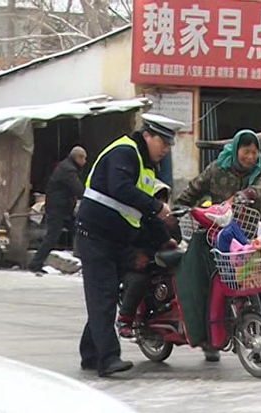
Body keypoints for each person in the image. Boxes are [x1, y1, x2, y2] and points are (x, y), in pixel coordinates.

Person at [76, 113, 184, 377]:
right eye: (163, 143)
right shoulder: (125, 152)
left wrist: (164, 238)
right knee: (103, 295)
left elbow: (145, 212)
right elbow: (121, 188)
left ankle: (90, 353)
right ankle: (108, 359)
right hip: (94, 234)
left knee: (107, 294)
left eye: (170, 146)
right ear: (148, 135)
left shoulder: (146, 167)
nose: (166, 150)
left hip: (116, 238)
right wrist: (157, 206)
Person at [175, 129, 261, 362]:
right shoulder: (217, 169)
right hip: (217, 238)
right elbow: (193, 190)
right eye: (246, 151)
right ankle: (209, 337)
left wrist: (244, 195)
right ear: (236, 149)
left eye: (254, 152)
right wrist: (178, 208)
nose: (251, 157)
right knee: (210, 285)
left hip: (250, 238)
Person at [117, 180, 182, 339]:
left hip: (162, 261)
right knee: (139, 280)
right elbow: (126, 244)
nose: (161, 203)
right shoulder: (134, 218)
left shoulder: (167, 218)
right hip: (137, 262)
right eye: (156, 198)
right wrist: (141, 256)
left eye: (163, 199)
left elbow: (176, 238)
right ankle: (125, 319)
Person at [28, 146, 86, 273]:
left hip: (63, 209)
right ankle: (35, 264)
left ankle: (83, 260)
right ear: (78, 157)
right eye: (84, 158)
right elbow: (78, 189)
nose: (85, 161)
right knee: (52, 237)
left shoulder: (67, 167)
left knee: (79, 230)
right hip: (59, 210)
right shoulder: (69, 170)